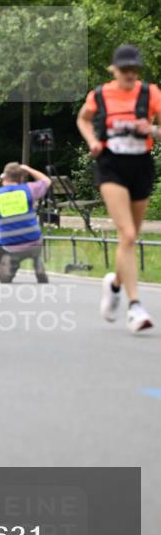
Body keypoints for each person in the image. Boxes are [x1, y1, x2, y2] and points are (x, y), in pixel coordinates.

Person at [77, 44, 160, 333]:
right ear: (114, 70)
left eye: (134, 70)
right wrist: (92, 142)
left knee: (131, 237)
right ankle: (135, 306)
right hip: (110, 164)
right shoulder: (100, 95)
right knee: (126, 233)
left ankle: (113, 286)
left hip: (140, 165)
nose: (130, 75)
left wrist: (152, 130)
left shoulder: (150, 94)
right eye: (125, 70)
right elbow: (83, 119)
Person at [0, 163, 51, 283]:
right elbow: (46, 181)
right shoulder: (29, 189)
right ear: (21, 178)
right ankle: (37, 262)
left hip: (10, 244)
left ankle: (9, 264)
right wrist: (28, 169)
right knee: (36, 244)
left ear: (4, 178)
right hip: (34, 241)